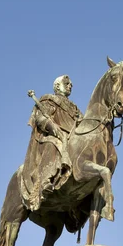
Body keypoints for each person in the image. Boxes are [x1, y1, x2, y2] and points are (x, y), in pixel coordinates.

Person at [19, 76, 82, 212]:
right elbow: (40, 118)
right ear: (58, 86)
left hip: (71, 136)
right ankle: (45, 182)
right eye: (67, 83)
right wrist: (54, 129)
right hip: (51, 135)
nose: (70, 85)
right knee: (54, 144)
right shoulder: (48, 100)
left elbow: (82, 123)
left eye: (71, 83)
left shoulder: (74, 108)